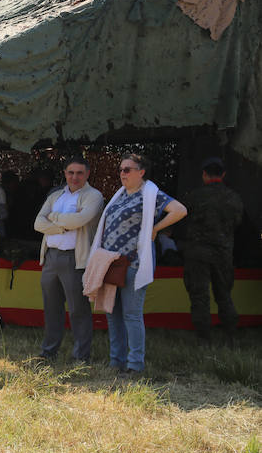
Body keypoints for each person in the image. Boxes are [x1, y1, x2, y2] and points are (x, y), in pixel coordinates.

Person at [89, 154, 187, 375]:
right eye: (121, 169)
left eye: (128, 169)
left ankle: (135, 365)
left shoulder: (150, 194)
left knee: (131, 315)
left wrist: (155, 228)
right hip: (111, 264)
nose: (122, 173)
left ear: (141, 172)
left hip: (133, 263)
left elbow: (180, 210)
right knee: (112, 313)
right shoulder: (120, 195)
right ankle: (117, 362)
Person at [33, 157, 104, 362]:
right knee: (51, 307)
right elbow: (38, 223)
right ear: (65, 173)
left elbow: (81, 220)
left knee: (78, 309)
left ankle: (81, 356)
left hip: (75, 258)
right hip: (51, 257)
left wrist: (52, 218)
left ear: (88, 174)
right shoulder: (56, 195)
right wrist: (64, 225)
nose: (75, 177)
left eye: (80, 173)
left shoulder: (94, 196)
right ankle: (48, 352)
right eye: (71, 172)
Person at [180, 157, 243, 342]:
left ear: (204, 175)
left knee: (200, 296)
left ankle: (203, 338)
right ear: (223, 174)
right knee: (224, 295)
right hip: (223, 253)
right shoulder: (234, 198)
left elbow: (180, 218)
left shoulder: (194, 196)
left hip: (197, 253)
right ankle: (231, 336)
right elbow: (238, 224)